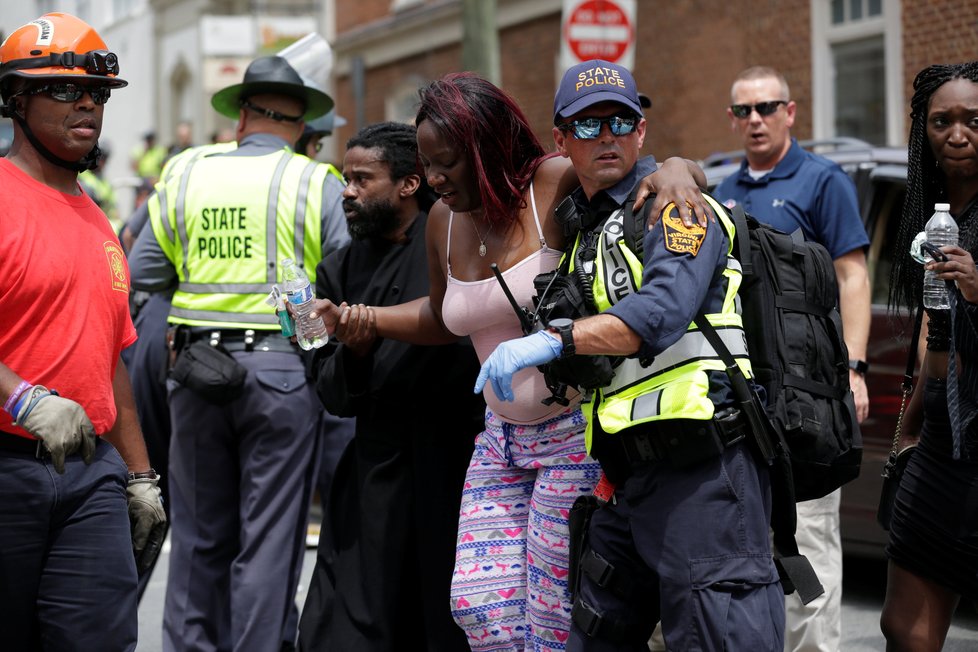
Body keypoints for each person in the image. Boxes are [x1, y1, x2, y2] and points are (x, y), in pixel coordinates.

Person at [313, 71, 709, 650]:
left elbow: (630, 169)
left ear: (488, 149)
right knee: (480, 607)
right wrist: (362, 318)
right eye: (426, 164)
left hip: (572, 435)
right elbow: (443, 315)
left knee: (551, 615)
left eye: (447, 162)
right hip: (499, 437)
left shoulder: (549, 183)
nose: (434, 179)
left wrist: (678, 168)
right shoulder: (443, 222)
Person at [476, 59, 785, 651]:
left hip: (707, 472)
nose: (607, 136)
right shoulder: (589, 232)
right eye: (587, 127)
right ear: (561, 140)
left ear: (641, 128)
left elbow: (663, 311)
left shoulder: (673, 204)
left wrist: (554, 341)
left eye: (620, 120)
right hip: (627, 483)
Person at [128, 54, 349, 652]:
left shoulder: (187, 169)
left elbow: (142, 269)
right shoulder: (314, 181)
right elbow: (340, 277)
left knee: (198, 538)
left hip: (197, 371)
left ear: (243, 115)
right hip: (281, 374)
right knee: (269, 540)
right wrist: (303, 337)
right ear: (301, 123)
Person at [0, 12, 166, 650]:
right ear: (17, 100)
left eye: (97, 94)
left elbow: (111, 356)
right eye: (66, 91)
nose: (89, 106)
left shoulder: (97, 218)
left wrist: (141, 475)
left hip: (90, 475)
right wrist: (21, 396)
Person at [296, 121, 485, 651]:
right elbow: (331, 394)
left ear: (408, 183)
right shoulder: (336, 268)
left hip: (451, 463)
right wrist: (355, 352)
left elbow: (466, 340)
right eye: (344, 178)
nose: (347, 192)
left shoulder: (456, 242)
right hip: (374, 473)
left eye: (362, 179)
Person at [710, 65, 871, 652]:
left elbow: (853, 276)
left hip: (808, 395)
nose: (755, 119)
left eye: (767, 107)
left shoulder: (823, 181)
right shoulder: (721, 191)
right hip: (745, 400)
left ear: (791, 112)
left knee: (809, 540)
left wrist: (853, 368)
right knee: (751, 545)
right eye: (743, 110)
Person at [881, 60, 978, 652]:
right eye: (941, 121)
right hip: (940, 438)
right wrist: (910, 423)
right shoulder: (934, 220)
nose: (957, 133)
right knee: (904, 626)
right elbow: (931, 333)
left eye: (973, 119)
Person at [79, 141, 121, 232]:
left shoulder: (105, 183)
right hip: (86, 221)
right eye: (100, 157)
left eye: (105, 159)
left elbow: (112, 208)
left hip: (102, 222)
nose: (102, 162)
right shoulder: (81, 176)